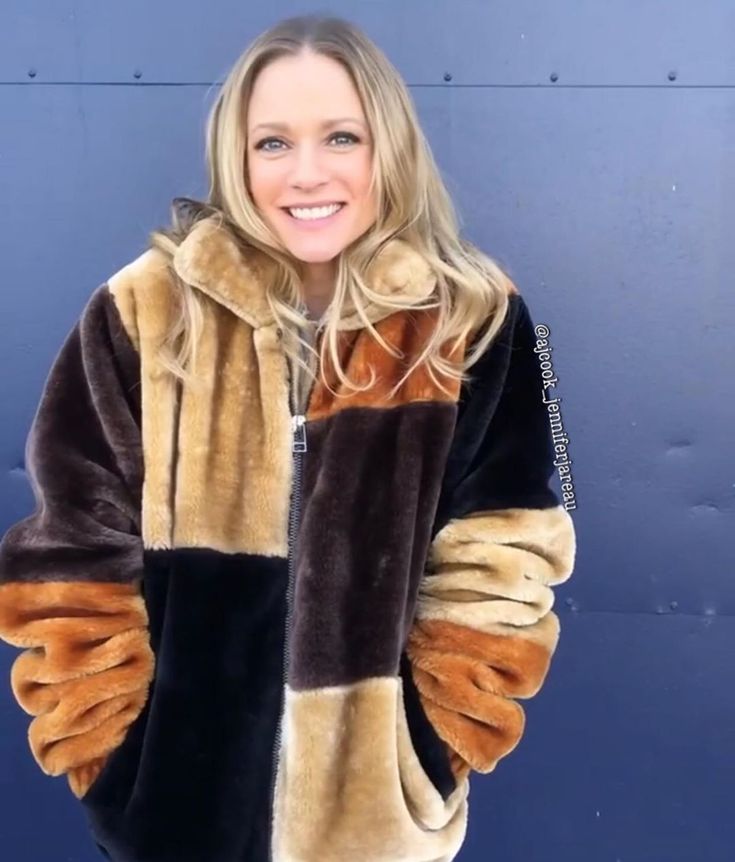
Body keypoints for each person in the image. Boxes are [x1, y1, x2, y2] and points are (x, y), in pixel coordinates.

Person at [0, 13, 576, 862]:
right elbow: (70, 557)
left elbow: (506, 560)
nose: (306, 173)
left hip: (377, 828)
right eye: (272, 143)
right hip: (176, 823)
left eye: (341, 136)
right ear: (237, 158)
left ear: (390, 146)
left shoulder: (475, 321)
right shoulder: (141, 310)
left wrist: (428, 750)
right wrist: (114, 761)